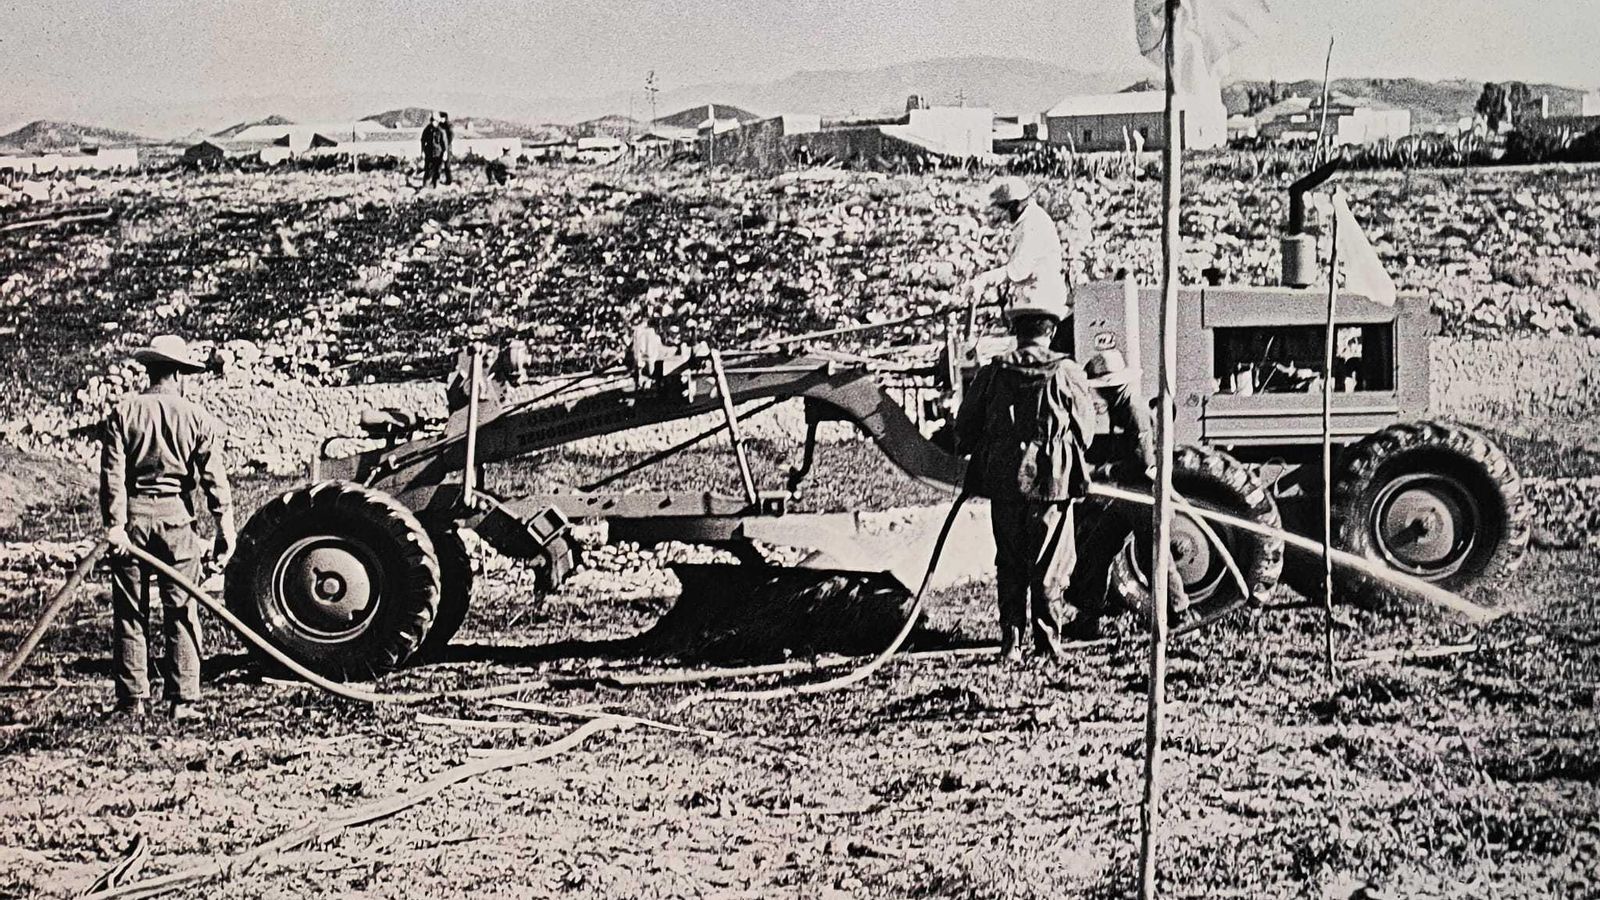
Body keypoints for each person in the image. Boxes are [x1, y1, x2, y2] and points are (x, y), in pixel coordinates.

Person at [100, 335, 234, 721]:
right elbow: (214, 481)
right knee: (182, 608)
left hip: (133, 522)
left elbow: (113, 477)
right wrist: (225, 528)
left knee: (130, 612)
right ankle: (183, 701)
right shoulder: (197, 418)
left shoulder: (123, 413)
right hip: (178, 521)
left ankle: (132, 701)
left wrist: (115, 526)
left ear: (150, 370)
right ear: (178, 373)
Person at [954, 295, 1093, 662]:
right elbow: (1086, 431)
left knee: (1010, 559)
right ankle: (1048, 645)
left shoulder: (993, 372)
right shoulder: (1067, 372)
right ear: (1051, 331)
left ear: (1016, 332)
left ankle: (1011, 644)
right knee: (1051, 563)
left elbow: (965, 429)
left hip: (1005, 482)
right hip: (1052, 483)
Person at [1062, 349, 1189, 640]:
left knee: (1154, 558)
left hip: (1146, 499)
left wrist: (1105, 472)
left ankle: (1179, 614)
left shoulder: (1133, 411)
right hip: (1127, 499)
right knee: (1096, 550)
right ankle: (1088, 617)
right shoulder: (1121, 409)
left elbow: (1144, 464)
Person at [963, 176, 1071, 326]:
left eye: (1003, 208)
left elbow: (1019, 270)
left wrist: (984, 280)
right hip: (1030, 300)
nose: (1002, 214)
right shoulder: (1024, 221)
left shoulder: (1033, 223)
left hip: (1042, 302)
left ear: (1015, 204)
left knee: (1030, 347)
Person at [420, 114, 446, 188]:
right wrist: (422, 152)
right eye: (432, 121)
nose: (433, 122)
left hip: (438, 154)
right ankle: (425, 186)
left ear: (437, 122)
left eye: (434, 121)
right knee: (427, 170)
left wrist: (445, 153)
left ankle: (435, 186)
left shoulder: (441, 131)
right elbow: (423, 140)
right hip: (429, 153)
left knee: (437, 171)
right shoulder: (427, 129)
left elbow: (444, 143)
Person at [438, 112, 455, 185]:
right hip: (440, 147)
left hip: (447, 148)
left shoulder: (448, 126)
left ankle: (449, 180)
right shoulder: (440, 125)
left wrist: (447, 144)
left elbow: (451, 136)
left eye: (442, 118)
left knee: (447, 165)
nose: (441, 119)